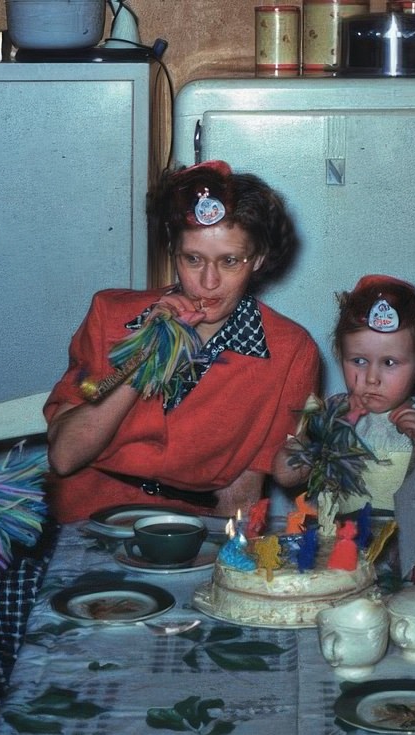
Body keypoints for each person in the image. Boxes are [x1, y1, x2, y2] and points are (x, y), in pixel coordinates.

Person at [45, 160, 321, 522]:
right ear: (173, 252)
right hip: (88, 515)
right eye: (193, 259)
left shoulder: (290, 351)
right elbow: (65, 457)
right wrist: (149, 350)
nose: (209, 282)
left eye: (230, 261)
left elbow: (244, 485)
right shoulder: (109, 314)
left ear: (257, 260)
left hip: (191, 529)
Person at [276, 274, 415, 513]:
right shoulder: (334, 415)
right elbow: (286, 476)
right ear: (341, 356)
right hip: (344, 543)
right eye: (358, 360)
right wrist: (302, 447)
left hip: (406, 544)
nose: (372, 378)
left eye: (389, 363)